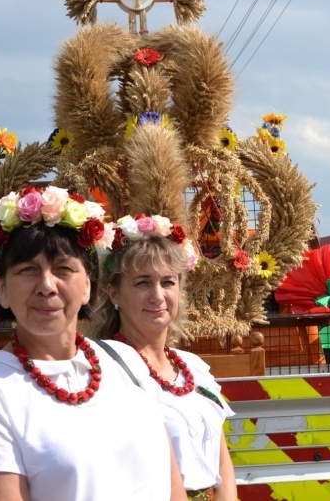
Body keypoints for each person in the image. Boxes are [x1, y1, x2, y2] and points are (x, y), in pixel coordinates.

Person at [0, 185, 186, 501]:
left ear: (88, 285)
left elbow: (172, 488)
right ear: (1, 289)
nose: (47, 285)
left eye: (63, 269)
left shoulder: (126, 362)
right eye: (28, 270)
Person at [93, 213, 237, 501]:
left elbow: (222, 461)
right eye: (143, 283)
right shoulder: (103, 369)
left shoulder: (193, 367)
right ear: (114, 294)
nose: (158, 295)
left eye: (168, 282)